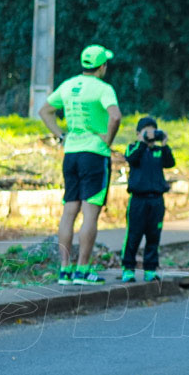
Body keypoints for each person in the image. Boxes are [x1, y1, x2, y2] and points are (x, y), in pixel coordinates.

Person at [39, 44, 122, 285]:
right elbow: (115, 116)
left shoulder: (68, 85)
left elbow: (45, 111)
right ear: (102, 66)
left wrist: (61, 135)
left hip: (71, 153)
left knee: (69, 211)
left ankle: (64, 270)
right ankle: (82, 271)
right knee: (90, 214)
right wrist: (108, 139)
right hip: (94, 154)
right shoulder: (103, 88)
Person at [120, 117, 175, 283]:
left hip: (157, 200)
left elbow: (170, 163)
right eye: (146, 131)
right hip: (138, 200)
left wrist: (164, 143)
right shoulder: (133, 148)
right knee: (134, 235)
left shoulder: (159, 151)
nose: (150, 135)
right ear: (138, 134)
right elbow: (132, 158)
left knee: (153, 236)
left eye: (153, 131)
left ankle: (150, 269)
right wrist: (143, 142)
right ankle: (128, 268)